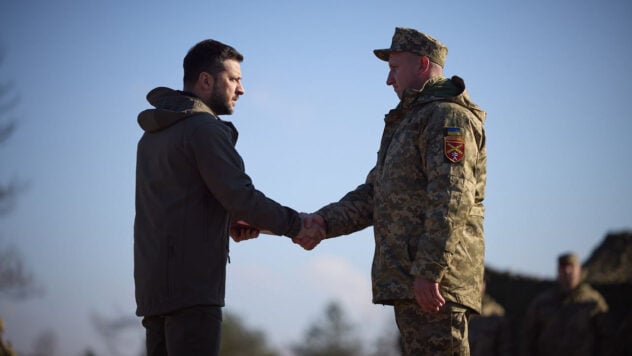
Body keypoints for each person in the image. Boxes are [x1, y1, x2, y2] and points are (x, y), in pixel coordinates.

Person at [300, 27, 487, 355]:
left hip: (436, 287)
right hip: (414, 285)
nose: (389, 80)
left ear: (422, 65)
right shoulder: (409, 122)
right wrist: (321, 222)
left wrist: (430, 270)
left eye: (394, 68)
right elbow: (375, 195)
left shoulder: (448, 118)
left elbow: (453, 198)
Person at [134, 39, 323, 356]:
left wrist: (228, 222)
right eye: (234, 79)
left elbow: (178, 204)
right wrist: (296, 224)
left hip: (154, 292)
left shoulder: (153, 136)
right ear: (206, 81)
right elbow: (242, 198)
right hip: (193, 292)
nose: (242, 89)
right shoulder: (202, 129)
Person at [521, 252, 610, 356]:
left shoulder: (593, 302)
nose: (567, 271)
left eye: (571, 267)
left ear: (579, 270)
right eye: (563, 267)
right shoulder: (542, 303)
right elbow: (528, 338)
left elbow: (607, 337)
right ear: (558, 271)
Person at [468, 276, 513, 356]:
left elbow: (505, 346)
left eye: (481, 281)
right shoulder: (459, 308)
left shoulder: (496, 311)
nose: (477, 285)